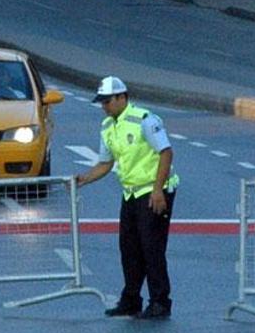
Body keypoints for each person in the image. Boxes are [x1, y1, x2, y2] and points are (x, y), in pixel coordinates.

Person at [75, 76, 179, 319]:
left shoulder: (144, 120)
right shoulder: (107, 126)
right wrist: (84, 179)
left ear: (123, 97)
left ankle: (160, 301)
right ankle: (131, 300)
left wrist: (157, 189)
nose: (104, 106)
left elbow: (165, 153)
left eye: (108, 101)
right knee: (129, 248)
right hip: (131, 192)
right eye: (101, 102)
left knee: (151, 248)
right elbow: (105, 163)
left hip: (153, 191)